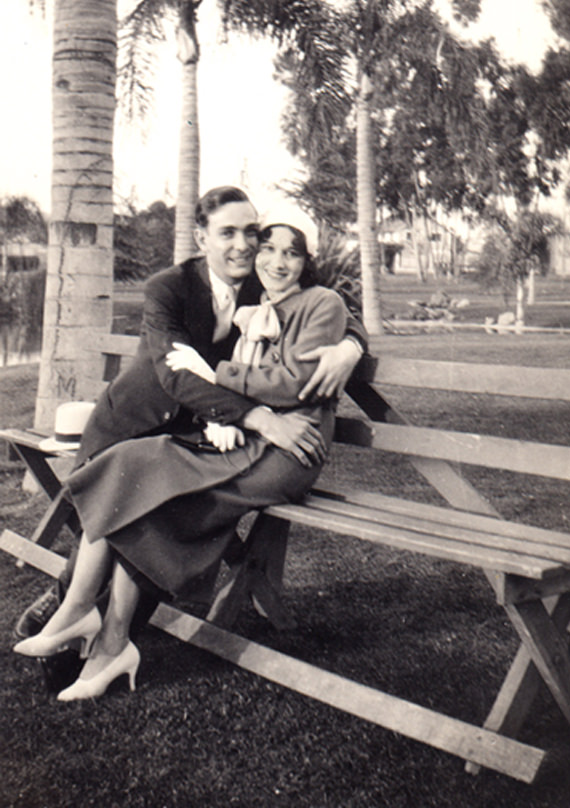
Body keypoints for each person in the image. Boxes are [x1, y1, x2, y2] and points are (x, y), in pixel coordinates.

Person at [14, 206, 352, 701]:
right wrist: (246, 415)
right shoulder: (173, 286)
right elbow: (176, 376)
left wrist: (351, 350)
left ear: (305, 260)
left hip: (270, 445)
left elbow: (324, 340)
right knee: (129, 474)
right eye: (262, 245)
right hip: (150, 421)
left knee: (151, 498)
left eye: (287, 251)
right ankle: (78, 608)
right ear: (203, 237)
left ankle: (99, 630)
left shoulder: (289, 295)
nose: (267, 256)